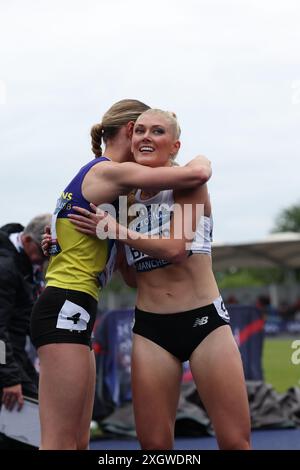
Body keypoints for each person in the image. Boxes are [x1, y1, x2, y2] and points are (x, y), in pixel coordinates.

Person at [31, 99, 212, 450]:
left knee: (78, 442)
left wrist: (62, 240)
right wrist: (202, 158)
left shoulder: (110, 188)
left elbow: (100, 256)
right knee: (58, 443)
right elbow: (195, 174)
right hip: (65, 306)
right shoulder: (108, 171)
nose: (146, 141)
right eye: (142, 131)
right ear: (130, 131)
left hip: (75, 307)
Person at [69, 109, 251, 450]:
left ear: (174, 145)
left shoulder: (189, 182)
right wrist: (61, 243)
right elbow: (132, 278)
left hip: (204, 324)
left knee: (234, 441)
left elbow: (177, 250)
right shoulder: (123, 199)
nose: (146, 137)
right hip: (152, 328)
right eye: (139, 131)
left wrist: (118, 231)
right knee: (153, 446)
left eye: (157, 131)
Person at [0, 214, 50, 449]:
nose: (43, 261)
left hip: (13, 350)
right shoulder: (6, 268)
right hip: (5, 355)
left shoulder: (25, 264)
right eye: (42, 253)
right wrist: (9, 378)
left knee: (42, 406)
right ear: (28, 240)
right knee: (28, 425)